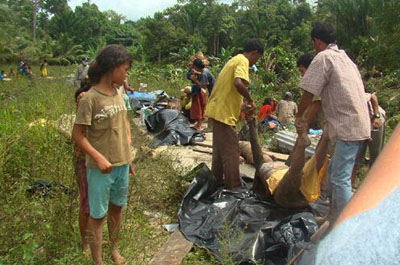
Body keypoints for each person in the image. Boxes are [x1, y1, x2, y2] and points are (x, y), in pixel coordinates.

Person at [295, 22, 370, 222]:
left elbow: (309, 94)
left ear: (317, 41)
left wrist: (299, 117)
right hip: (358, 125)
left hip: (348, 128)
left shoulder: (323, 58)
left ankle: (346, 228)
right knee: (332, 173)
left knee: (340, 179)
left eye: (313, 43)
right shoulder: (346, 59)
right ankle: (333, 216)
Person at [72, 45, 134, 265]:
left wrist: (129, 155)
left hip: (121, 164)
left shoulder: (119, 93)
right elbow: (78, 135)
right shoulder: (90, 98)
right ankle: (97, 260)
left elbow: (124, 123)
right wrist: (98, 157)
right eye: (125, 69)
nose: (127, 73)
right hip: (100, 168)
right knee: (97, 215)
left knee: (117, 209)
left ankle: (114, 250)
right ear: (112, 68)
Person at [311, 124, 400, 265]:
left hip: (350, 132)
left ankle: (342, 228)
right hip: (349, 132)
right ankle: (333, 217)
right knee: (334, 171)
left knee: (340, 178)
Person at [205, 38, 264, 189]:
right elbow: (238, 83)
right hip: (223, 114)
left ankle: (216, 181)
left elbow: (231, 90)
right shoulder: (243, 61)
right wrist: (250, 99)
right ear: (255, 53)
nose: (255, 62)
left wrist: (243, 106)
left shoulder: (234, 60)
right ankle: (234, 188)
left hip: (217, 110)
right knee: (232, 151)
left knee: (219, 152)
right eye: (257, 58)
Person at [73, 78, 92, 253]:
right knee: (87, 202)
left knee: (98, 202)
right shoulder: (85, 97)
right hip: (86, 158)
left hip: (102, 158)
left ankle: (93, 239)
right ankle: (85, 243)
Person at [186, 58, 208, 130]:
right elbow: (188, 76)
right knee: (198, 108)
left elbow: (204, 86)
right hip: (197, 91)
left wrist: (195, 80)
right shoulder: (194, 71)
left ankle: (199, 124)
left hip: (200, 91)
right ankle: (199, 123)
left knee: (198, 108)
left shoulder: (204, 73)